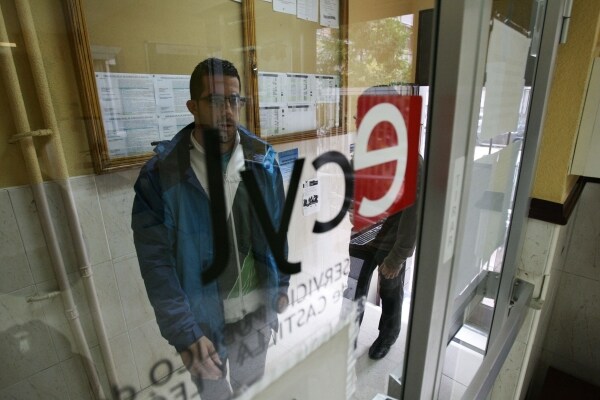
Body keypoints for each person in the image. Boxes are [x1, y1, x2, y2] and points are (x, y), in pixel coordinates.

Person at [132, 58, 289, 399]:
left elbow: (277, 231)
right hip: (201, 327)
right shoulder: (161, 176)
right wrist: (185, 333)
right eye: (216, 101)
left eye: (234, 100)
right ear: (193, 106)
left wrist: (283, 284)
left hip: (255, 316)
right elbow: (156, 267)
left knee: (252, 390)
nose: (228, 110)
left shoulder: (261, 159)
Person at [348, 86, 421, 361]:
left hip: (392, 242)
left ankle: (388, 336)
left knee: (390, 292)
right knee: (353, 286)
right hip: (362, 237)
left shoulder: (411, 160)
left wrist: (397, 257)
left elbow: (413, 216)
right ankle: (348, 335)